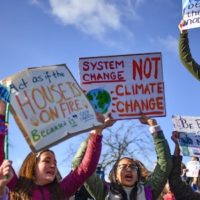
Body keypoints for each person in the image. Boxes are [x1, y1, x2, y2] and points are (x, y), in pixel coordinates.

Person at [0, 87, 113, 200]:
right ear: (32, 165)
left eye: (55, 162)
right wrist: (1, 112)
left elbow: (85, 170)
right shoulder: (15, 186)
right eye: (47, 160)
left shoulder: (61, 191)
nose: (53, 165)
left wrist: (96, 133)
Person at [72, 114, 172, 200]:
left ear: (138, 175)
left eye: (133, 167)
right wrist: (98, 130)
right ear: (115, 175)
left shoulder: (149, 191)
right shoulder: (103, 191)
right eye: (123, 167)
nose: (128, 169)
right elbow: (79, 164)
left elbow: (165, 163)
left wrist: (154, 127)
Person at [169, 131, 200, 200]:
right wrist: (178, 145)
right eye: (191, 161)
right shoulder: (189, 194)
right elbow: (175, 181)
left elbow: (174, 181)